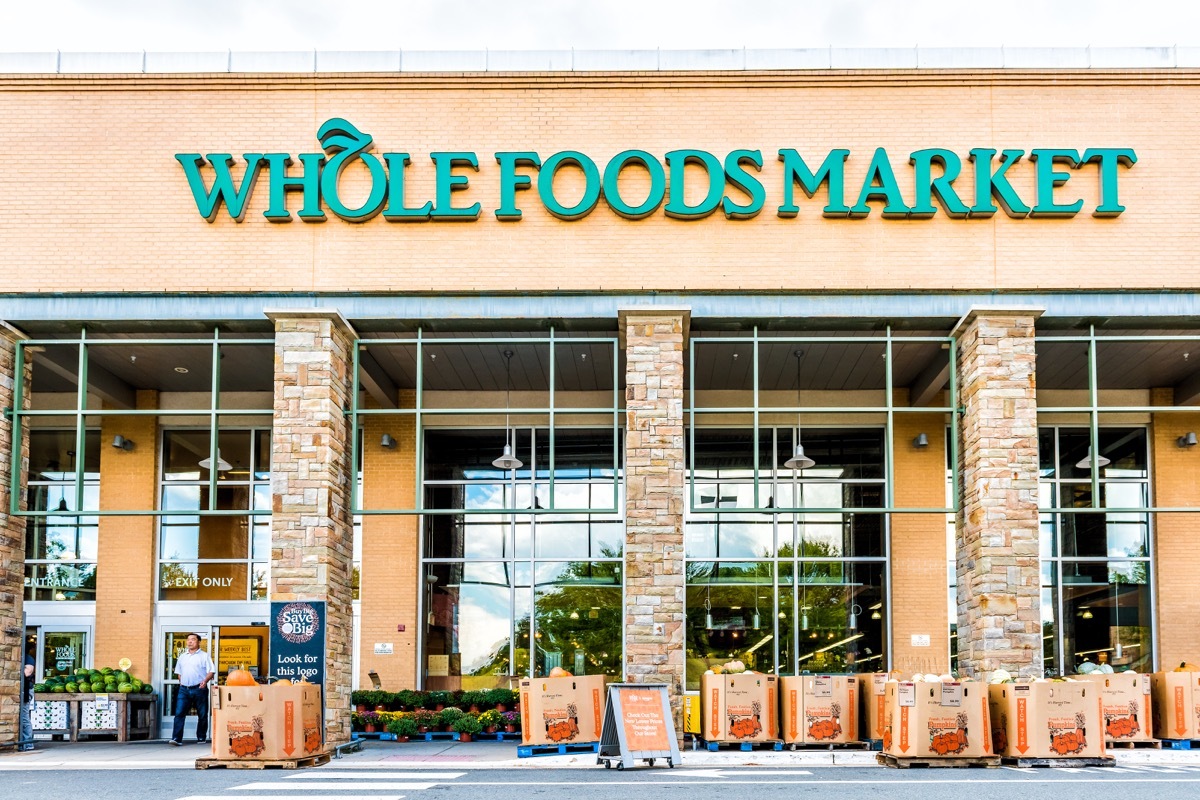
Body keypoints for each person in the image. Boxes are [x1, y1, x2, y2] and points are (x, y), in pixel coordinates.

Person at [170, 633, 216, 746]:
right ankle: (176, 738)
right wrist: (181, 682)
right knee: (179, 713)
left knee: (202, 714)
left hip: (199, 688)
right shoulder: (182, 656)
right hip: (184, 689)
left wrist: (205, 681)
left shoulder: (204, 656)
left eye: (193, 640)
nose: (190, 642)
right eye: (188, 640)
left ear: (199, 642)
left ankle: (201, 737)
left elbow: (211, 671)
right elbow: (179, 672)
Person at [20, 649, 35, 751]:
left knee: (24, 715)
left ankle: (28, 743)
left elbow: (28, 671)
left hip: (26, 690)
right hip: (20, 690)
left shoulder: (27, 657)